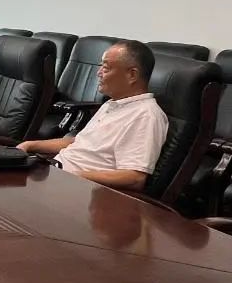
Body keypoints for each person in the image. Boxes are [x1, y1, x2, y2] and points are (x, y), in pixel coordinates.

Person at [17, 40, 168, 192]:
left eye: (106, 68)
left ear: (132, 75)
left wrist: (72, 175)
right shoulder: (112, 103)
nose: (98, 73)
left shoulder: (146, 115)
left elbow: (134, 178)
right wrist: (30, 145)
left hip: (79, 189)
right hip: (56, 173)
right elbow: (79, 142)